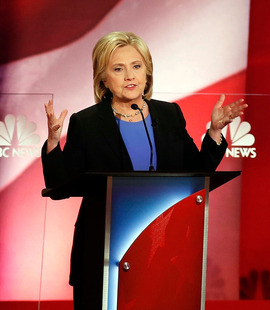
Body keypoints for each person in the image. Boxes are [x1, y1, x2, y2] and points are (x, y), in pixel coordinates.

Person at [42, 31, 247, 309]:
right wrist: (54, 142)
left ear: (147, 73)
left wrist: (214, 131)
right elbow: (59, 186)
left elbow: (196, 172)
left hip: (162, 251)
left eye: (136, 66)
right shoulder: (86, 123)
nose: (130, 76)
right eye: (118, 68)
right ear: (103, 78)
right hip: (104, 251)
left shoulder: (169, 114)